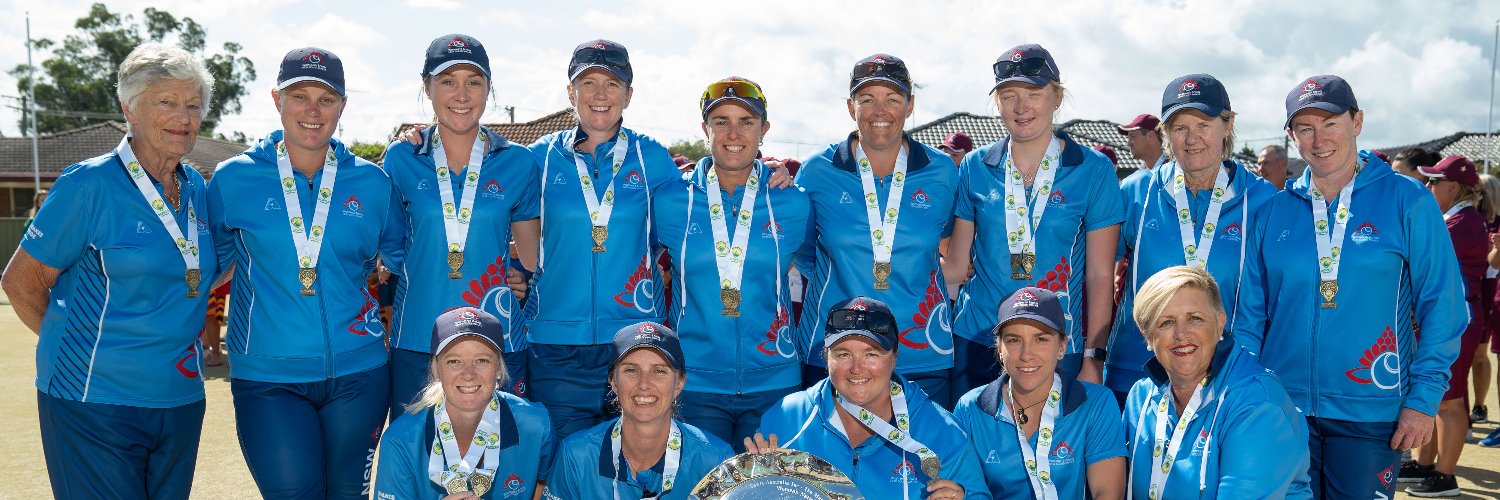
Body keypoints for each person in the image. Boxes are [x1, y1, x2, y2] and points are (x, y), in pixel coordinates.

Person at [0, 42, 220, 499]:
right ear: (129, 108)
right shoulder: (88, 183)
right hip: (94, 401)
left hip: (180, 399)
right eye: (166, 101)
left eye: (193, 104)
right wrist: (81, 352)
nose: (183, 117)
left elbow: (201, 273)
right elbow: (21, 283)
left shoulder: (198, 189)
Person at [1235, 75, 1465, 499]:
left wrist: (1423, 399)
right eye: (1305, 128)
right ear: (1292, 136)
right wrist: (1248, 393)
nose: (1319, 139)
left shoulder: (1408, 200)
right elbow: (1248, 315)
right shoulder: (1274, 211)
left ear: (1357, 122)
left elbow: (1444, 306)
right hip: (1282, 408)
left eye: (1330, 124)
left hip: (1371, 410)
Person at [206, 47, 407, 498]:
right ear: (277, 99)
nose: (313, 110)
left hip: (360, 374)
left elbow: (404, 259)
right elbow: (202, 267)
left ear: (342, 105)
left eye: (326, 98)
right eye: (300, 96)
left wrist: (509, 270)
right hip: (269, 379)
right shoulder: (232, 179)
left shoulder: (373, 183)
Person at [524, 40, 685, 438]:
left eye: (612, 84)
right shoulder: (538, 157)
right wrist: (427, 137)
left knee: (631, 464)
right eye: (588, 83)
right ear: (570, 92)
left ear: (628, 95)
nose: (600, 94)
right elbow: (488, 194)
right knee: (561, 463)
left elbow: (702, 199)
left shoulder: (652, 157)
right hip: (555, 347)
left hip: (635, 344)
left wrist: (766, 171)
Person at [945, 44, 1123, 396]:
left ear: (1057, 98)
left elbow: (1100, 275)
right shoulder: (975, 166)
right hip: (978, 338)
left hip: (1055, 342)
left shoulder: (1094, 169)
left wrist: (1094, 356)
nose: (1021, 107)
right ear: (997, 103)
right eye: (1009, 96)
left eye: (1034, 94)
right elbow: (956, 265)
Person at [383, 34, 540, 422]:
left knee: (501, 452)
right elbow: (391, 248)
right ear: (427, 87)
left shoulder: (519, 162)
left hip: (497, 336)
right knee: (418, 451)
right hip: (418, 336)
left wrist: (518, 277)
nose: (461, 94)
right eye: (447, 81)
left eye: (474, 81)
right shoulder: (401, 156)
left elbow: (531, 257)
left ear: (488, 89)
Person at [792, 53, 960, 406]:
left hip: (921, 352)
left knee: (923, 444)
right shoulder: (817, 171)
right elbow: (805, 253)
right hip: (835, 351)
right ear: (850, 107)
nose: (879, 111)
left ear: (910, 105)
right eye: (867, 99)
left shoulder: (943, 171)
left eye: (893, 99)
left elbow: (949, 247)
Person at [652, 77, 810, 444]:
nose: (733, 133)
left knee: (769, 479)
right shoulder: (671, 200)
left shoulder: (793, 201)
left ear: (763, 129)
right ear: (704, 128)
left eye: (746, 121)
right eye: (721, 121)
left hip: (775, 379)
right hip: (694, 381)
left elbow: (820, 267)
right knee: (702, 479)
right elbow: (636, 261)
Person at [1104, 74, 1275, 403]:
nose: (1192, 138)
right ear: (1166, 133)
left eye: (1203, 125)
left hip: (1225, 378)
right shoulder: (1137, 192)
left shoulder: (1261, 200)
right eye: (1180, 127)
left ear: (1228, 125)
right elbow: (1093, 273)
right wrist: (1091, 353)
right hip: (1135, 374)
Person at [752, 296, 986, 499]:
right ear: (826, 358)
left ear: (894, 356)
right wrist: (753, 485)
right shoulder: (788, 418)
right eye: (843, 354)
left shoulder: (942, 430)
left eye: (871, 354)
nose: (857, 368)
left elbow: (978, 495)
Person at [1124, 266, 1310, 498]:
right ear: (1147, 335)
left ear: (1220, 322)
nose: (1181, 333)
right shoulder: (1141, 398)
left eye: (1195, 319)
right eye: (1166, 322)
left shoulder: (1258, 404)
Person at [954, 287, 1126, 499]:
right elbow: (968, 490)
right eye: (1014, 340)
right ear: (999, 348)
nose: (1027, 355)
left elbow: (1108, 493)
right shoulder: (970, 408)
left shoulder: (1096, 402)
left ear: (1062, 346)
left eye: (1041, 339)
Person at [374, 307, 553, 499]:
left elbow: (541, 489)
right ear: (437, 370)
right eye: (454, 361)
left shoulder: (536, 425)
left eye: (482, 360)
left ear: (499, 369)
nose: (468, 374)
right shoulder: (401, 440)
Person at [542, 321, 733, 499]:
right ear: (613, 381)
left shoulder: (716, 459)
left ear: (679, 383)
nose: (644, 384)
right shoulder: (575, 456)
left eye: (659, 371)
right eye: (631, 370)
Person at [1402, 155, 1487, 497]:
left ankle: (1445, 475)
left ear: (1453, 187)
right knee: (1440, 397)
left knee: (1450, 400)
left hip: (1457, 319)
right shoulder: (1457, 218)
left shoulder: (1461, 222)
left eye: (1434, 181)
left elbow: (1420, 259)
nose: (1428, 186)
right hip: (1451, 316)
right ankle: (1426, 464)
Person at [1116, 113, 1166, 203]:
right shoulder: (1135, 178)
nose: (1128, 143)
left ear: (1151, 136)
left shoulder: (1176, 172)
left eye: (1132, 137)